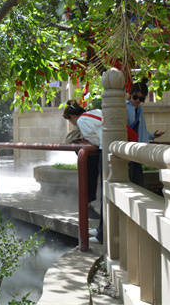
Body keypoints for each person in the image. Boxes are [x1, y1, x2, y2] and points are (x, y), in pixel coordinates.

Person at [62, 100, 103, 243]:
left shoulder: (82, 121)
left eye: (70, 120)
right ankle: (101, 229)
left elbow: (96, 142)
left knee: (105, 195)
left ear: (73, 116)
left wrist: (83, 143)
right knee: (105, 195)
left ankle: (101, 235)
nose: (72, 123)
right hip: (113, 147)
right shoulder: (94, 112)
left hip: (107, 151)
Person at [126, 78, 165, 186]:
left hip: (137, 150)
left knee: (138, 183)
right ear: (130, 94)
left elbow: (140, 131)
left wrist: (153, 135)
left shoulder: (139, 110)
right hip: (126, 149)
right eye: (135, 97)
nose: (138, 101)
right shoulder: (124, 107)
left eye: (141, 99)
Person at [64, 126, 101, 219]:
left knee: (90, 177)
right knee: (89, 177)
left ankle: (87, 206)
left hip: (92, 153)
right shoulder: (82, 124)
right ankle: (87, 207)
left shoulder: (84, 125)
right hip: (90, 154)